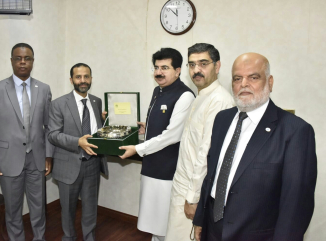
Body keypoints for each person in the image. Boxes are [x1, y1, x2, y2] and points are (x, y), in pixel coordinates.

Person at [193, 52, 317, 241]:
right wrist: (201, 219)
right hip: (213, 228)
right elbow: (212, 174)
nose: (244, 84)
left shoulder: (295, 131)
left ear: (270, 82)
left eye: (253, 77)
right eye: (237, 78)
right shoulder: (222, 119)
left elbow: (296, 204)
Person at [119, 48, 195, 241]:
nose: (159, 72)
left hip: (167, 171)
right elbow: (164, 124)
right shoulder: (157, 91)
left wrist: (137, 148)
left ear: (178, 70)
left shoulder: (185, 95)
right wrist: (148, 126)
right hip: (151, 166)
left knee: (164, 222)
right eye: (156, 68)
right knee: (154, 221)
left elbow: (172, 135)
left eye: (165, 68)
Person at [0, 43, 53, 241]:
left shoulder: (44, 89)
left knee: (39, 208)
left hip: (37, 159)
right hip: (7, 160)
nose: (23, 62)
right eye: (18, 58)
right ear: (12, 61)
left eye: (27, 58)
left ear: (32, 61)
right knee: (13, 210)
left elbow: (49, 127)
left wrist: (48, 154)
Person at [165, 43, 234, 241]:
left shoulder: (219, 101)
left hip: (193, 193)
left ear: (217, 66)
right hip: (182, 184)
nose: (197, 70)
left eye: (203, 63)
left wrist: (193, 198)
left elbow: (206, 154)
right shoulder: (201, 96)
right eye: (192, 64)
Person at [48, 63, 108, 241]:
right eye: (78, 77)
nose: (83, 81)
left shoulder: (97, 101)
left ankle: (89, 237)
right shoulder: (59, 104)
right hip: (68, 165)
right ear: (71, 80)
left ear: (91, 78)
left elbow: (96, 131)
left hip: (92, 164)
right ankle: (69, 238)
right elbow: (53, 135)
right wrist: (78, 142)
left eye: (86, 76)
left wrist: (106, 123)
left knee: (90, 208)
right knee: (67, 209)